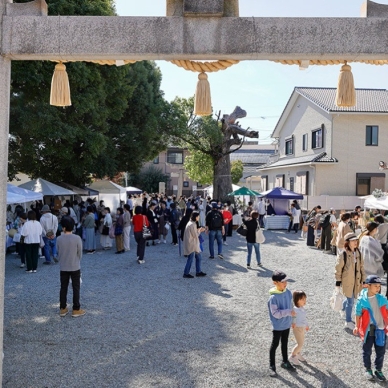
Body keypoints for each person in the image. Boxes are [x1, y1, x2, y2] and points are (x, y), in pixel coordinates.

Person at [353, 275, 388, 382]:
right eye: (375, 286)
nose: (378, 288)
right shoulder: (361, 301)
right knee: (367, 350)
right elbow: (358, 314)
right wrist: (356, 326)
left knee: (381, 351)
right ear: (367, 286)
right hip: (368, 330)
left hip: (381, 329)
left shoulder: (382, 299)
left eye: (379, 286)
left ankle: (378, 370)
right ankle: (368, 369)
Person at [335, 232, 366, 330]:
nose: (355, 242)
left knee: (351, 298)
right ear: (347, 242)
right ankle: (348, 321)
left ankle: (343, 309)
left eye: (356, 240)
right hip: (347, 281)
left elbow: (361, 267)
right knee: (351, 301)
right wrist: (338, 282)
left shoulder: (358, 253)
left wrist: (364, 280)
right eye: (353, 240)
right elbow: (338, 269)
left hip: (357, 281)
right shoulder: (343, 254)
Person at [268, 270, 296, 377]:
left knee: (285, 343)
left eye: (286, 281)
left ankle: (285, 361)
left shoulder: (288, 292)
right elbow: (275, 313)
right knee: (275, 344)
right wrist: (288, 312)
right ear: (275, 283)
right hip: (278, 326)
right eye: (283, 282)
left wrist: (292, 320)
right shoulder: (273, 298)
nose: (285, 284)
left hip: (286, 324)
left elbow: (291, 306)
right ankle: (272, 366)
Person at [57, 216, 85, 318]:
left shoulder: (59, 239)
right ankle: (76, 308)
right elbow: (80, 253)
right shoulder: (77, 238)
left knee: (63, 287)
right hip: (75, 265)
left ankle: (63, 308)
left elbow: (58, 252)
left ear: (63, 227)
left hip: (63, 266)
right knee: (76, 288)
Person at [183, 211, 206, 278]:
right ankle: (186, 273)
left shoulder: (191, 223)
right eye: (198, 216)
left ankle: (198, 271)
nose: (198, 218)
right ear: (195, 217)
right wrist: (200, 230)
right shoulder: (192, 224)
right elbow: (195, 235)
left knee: (198, 257)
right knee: (191, 258)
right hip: (192, 244)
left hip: (192, 243)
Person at [289, 291, 309, 366]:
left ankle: (298, 353)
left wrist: (306, 325)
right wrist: (293, 323)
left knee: (302, 342)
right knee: (299, 344)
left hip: (302, 327)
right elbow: (293, 317)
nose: (304, 301)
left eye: (305, 299)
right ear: (297, 300)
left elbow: (304, 318)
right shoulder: (295, 309)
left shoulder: (302, 308)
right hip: (297, 328)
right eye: (302, 299)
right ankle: (293, 355)